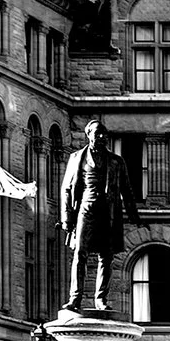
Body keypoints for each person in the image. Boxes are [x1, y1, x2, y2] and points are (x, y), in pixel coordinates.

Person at [60, 118, 142, 316]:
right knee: (80, 253)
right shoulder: (76, 158)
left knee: (106, 256)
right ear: (89, 135)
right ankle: (75, 298)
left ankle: (101, 299)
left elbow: (127, 190)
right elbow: (66, 189)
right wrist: (66, 218)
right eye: (98, 133)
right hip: (85, 209)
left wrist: (134, 216)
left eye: (104, 133)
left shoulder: (116, 161)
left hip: (108, 212)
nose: (102, 137)